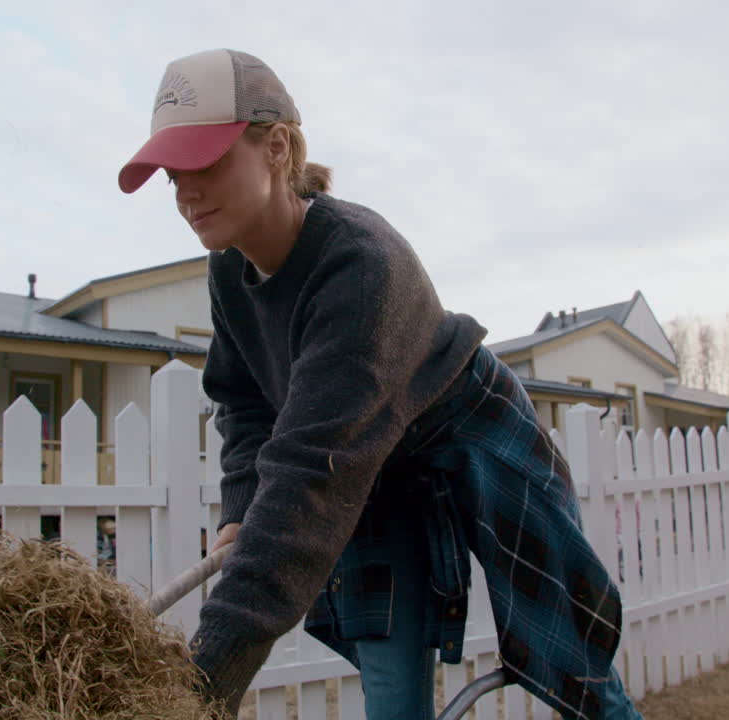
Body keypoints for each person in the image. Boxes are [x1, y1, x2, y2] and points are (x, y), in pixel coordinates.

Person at [119, 48, 640, 720]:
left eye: (206, 163)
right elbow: (246, 403)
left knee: (569, 661)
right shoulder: (229, 272)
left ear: (276, 147)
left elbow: (308, 475)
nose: (186, 192)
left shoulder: (362, 266)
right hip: (372, 467)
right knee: (392, 688)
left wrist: (199, 686)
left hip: (469, 434)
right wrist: (240, 507)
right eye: (172, 176)